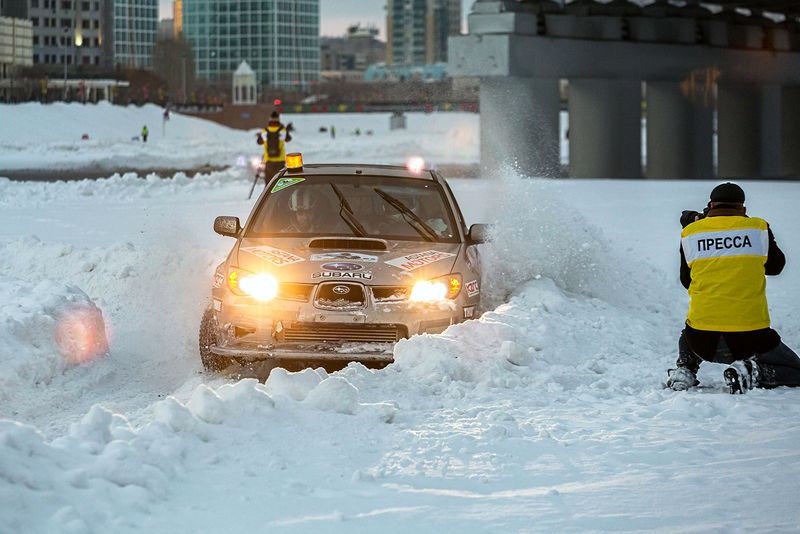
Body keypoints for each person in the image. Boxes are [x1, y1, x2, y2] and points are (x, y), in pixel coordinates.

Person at [667, 182, 800, 393]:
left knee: (693, 323)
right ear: (743, 209)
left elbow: (687, 281)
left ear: (710, 205)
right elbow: (776, 267)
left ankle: (685, 369)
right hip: (751, 340)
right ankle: (751, 371)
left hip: (701, 341)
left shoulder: (691, 232)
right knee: (795, 370)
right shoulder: (758, 227)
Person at [256, 111, 292, 183]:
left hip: (269, 162)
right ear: (278, 120)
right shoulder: (283, 130)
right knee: (280, 184)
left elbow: (259, 142)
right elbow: (288, 139)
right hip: (280, 162)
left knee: (269, 184)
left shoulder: (264, 131)